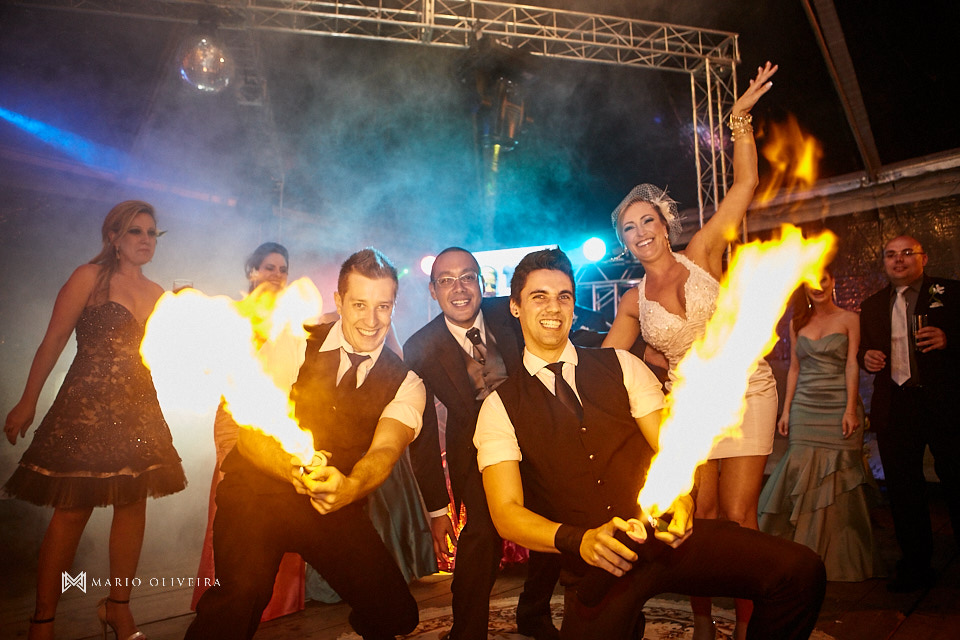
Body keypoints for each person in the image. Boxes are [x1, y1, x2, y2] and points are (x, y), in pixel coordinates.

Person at [474, 248, 826, 640]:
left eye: (564, 296)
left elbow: (672, 449)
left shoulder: (622, 366)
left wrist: (683, 499)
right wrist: (579, 540)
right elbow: (506, 512)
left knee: (800, 571)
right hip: (597, 565)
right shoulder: (498, 406)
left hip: (666, 542)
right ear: (516, 307)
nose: (553, 306)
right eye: (539, 296)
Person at [602, 61, 778, 639]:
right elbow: (606, 367)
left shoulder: (702, 251)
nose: (640, 232)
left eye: (646, 219)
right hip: (688, 412)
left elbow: (745, 187)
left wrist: (740, 120)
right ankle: (704, 626)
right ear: (623, 240)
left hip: (747, 391)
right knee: (696, 521)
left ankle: (749, 627)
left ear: (664, 221)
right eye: (629, 228)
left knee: (739, 517)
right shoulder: (631, 302)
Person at [185, 247, 423, 640]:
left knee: (397, 615)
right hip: (256, 495)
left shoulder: (406, 382)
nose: (371, 319)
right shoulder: (295, 341)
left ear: (394, 306)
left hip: (331, 504)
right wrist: (290, 470)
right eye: (360, 304)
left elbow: (385, 452)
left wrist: (350, 487)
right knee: (239, 600)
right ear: (339, 301)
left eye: (383, 306)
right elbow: (250, 435)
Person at [3, 200, 187, 640]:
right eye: (135, 232)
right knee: (71, 509)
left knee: (132, 505)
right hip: (86, 408)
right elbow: (53, 341)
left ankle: (117, 608)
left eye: (151, 233)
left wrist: (186, 328)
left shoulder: (160, 293)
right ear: (114, 238)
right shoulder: (89, 278)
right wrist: (27, 401)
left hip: (138, 410)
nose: (145, 240)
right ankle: (42, 620)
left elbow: (166, 359)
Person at [405, 247, 561, 640]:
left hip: (537, 436)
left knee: (554, 521)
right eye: (446, 280)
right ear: (433, 291)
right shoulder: (419, 347)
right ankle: (467, 630)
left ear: (480, 281)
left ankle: (535, 611)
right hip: (474, 450)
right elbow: (421, 435)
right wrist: (437, 507)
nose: (458, 288)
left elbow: (563, 323)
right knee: (482, 536)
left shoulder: (510, 310)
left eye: (467, 277)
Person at [192, 242, 306, 621]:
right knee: (236, 507)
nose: (276, 275)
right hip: (237, 419)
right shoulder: (234, 315)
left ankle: (280, 602)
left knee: (282, 502)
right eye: (269, 267)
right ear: (252, 271)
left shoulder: (293, 318)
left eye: (283, 269)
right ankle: (228, 600)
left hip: (282, 420)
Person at [758, 266, 882, 581]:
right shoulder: (797, 323)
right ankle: (800, 556)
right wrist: (786, 410)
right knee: (799, 472)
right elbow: (795, 369)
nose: (818, 286)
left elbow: (852, 365)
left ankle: (838, 560)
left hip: (839, 405)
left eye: (823, 279)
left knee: (838, 478)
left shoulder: (850, 318)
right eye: (811, 281)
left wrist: (851, 410)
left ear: (833, 281)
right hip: (805, 408)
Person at [858, 235, 960, 592]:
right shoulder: (871, 306)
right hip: (896, 406)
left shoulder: (952, 293)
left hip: (946, 404)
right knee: (903, 490)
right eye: (890, 255)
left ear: (923, 258)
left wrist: (950, 339)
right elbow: (864, 351)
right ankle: (916, 565)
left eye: (906, 253)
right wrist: (866, 359)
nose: (898, 260)